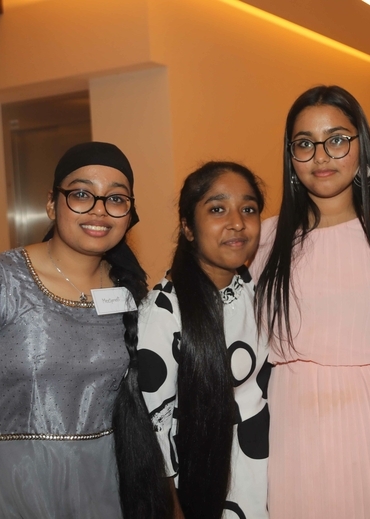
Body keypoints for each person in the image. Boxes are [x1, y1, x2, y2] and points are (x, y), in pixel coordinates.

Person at [0, 142, 172, 518]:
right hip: (13, 484)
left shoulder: (128, 292)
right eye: (81, 194)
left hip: (103, 486)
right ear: (51, 204)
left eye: (116, 199)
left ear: (129, 213)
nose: (99, 210)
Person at [252, 85, 370, 518]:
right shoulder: (262, 241)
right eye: (304, 143)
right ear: (291, 157)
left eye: (337, 140)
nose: (321, 156)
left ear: (362, 148)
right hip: (294, 426)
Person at [136, 162, 269, 519]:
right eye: (217, 209)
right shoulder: (164, 311)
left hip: (269, 478)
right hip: (209, 492)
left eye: (248, 209)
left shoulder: (257, 291)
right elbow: (154, 432)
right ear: (188, 228)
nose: (237, 222)